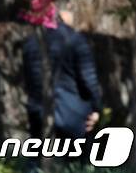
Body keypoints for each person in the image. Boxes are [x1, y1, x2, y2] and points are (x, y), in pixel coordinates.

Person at [22, 8, 101, 162]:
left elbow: (28, 79)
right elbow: (88, 78)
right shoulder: (76, 40)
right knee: (74, 162)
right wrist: (96, 107)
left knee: (38, 160)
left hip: (37, 110)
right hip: (72, 115)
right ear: (65, 14)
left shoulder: (31, 41)